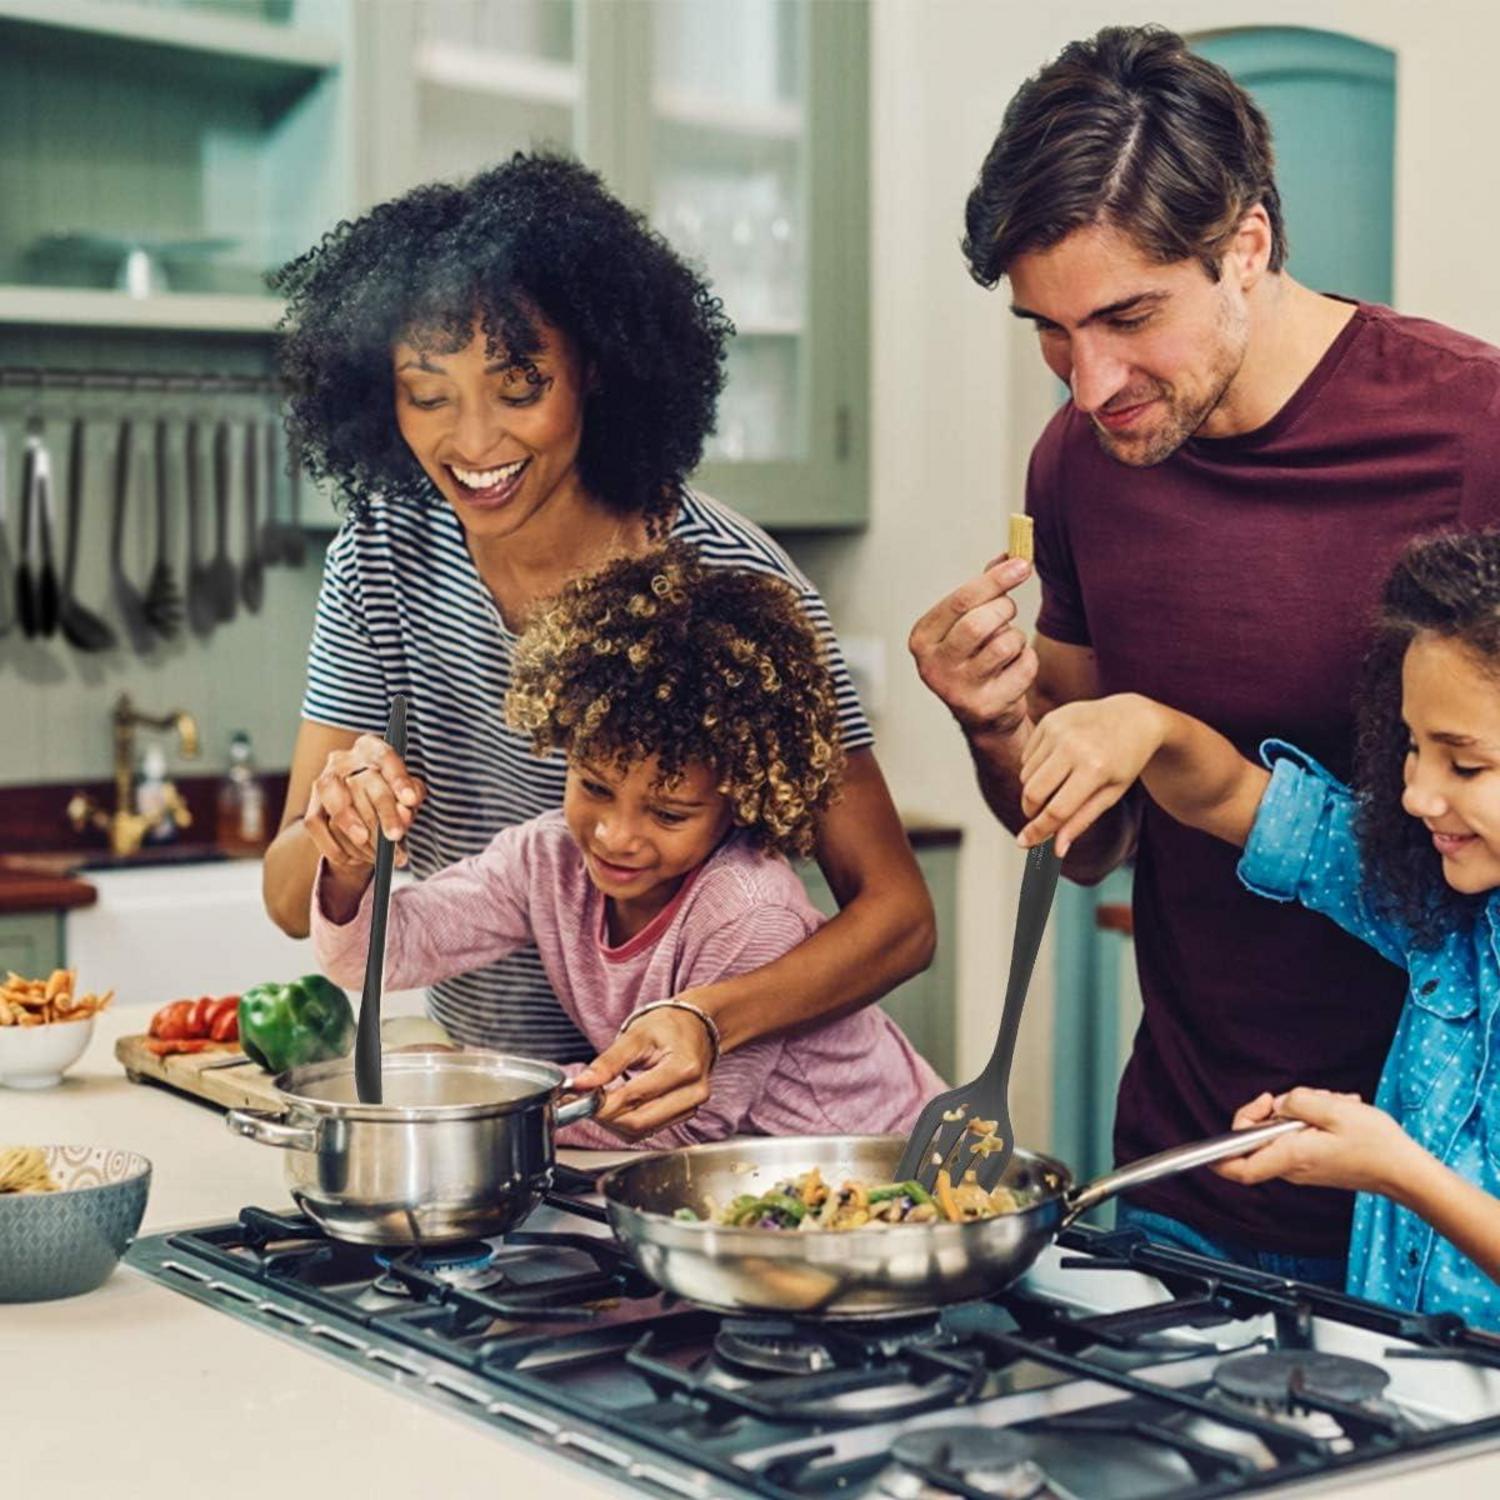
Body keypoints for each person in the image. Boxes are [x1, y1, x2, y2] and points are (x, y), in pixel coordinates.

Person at [908, 24, 1500, 1284]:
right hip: (1186, 1176)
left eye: (1128, 316)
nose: (1091, 381)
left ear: (1246, 246)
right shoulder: (1079, 465)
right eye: (1051, 331)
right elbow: (1089, 845)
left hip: (1448, 1217)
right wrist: (993, 725)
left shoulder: (1473, 431)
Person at [263, 150, 934, 1142]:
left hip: (682, 1124)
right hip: (511, 1103)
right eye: (428, 391)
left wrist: (708, 1017)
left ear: (598, 369)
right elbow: (292, 899)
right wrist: (339, 834)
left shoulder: (737, 588)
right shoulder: (381, 558)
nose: (472, 439)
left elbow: (899, 918)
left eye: (519, 383)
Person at [1014, 531, 1500, 1322]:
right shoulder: (1439, 906)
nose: (1417, 795)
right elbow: (1245, 801)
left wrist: (1395, 1168)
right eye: (1412, 747)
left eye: (1465, 764)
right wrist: (1148, 727)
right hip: (1409, 1387)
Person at [311, 544, 942, 1147]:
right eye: (593, 786)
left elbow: (679, 1119)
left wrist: (473, 1084)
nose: (615, 835)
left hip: (888, 1159)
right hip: (752, 1176)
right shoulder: (548, 861)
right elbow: (377, 955)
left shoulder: (748, 912)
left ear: (739, 800)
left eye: (668, 814)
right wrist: (349, 865)